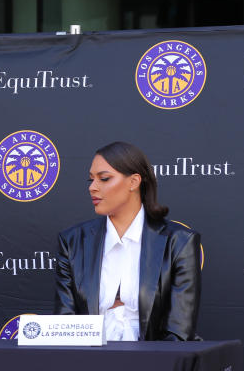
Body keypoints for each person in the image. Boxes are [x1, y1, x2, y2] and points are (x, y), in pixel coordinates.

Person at [53, 141, 201, 341]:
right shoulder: (73, 242)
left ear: (134, 182)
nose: (93, 188)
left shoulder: (179, 242)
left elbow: (178, 334)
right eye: (91, 180)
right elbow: (65, 328)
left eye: (104, 179)